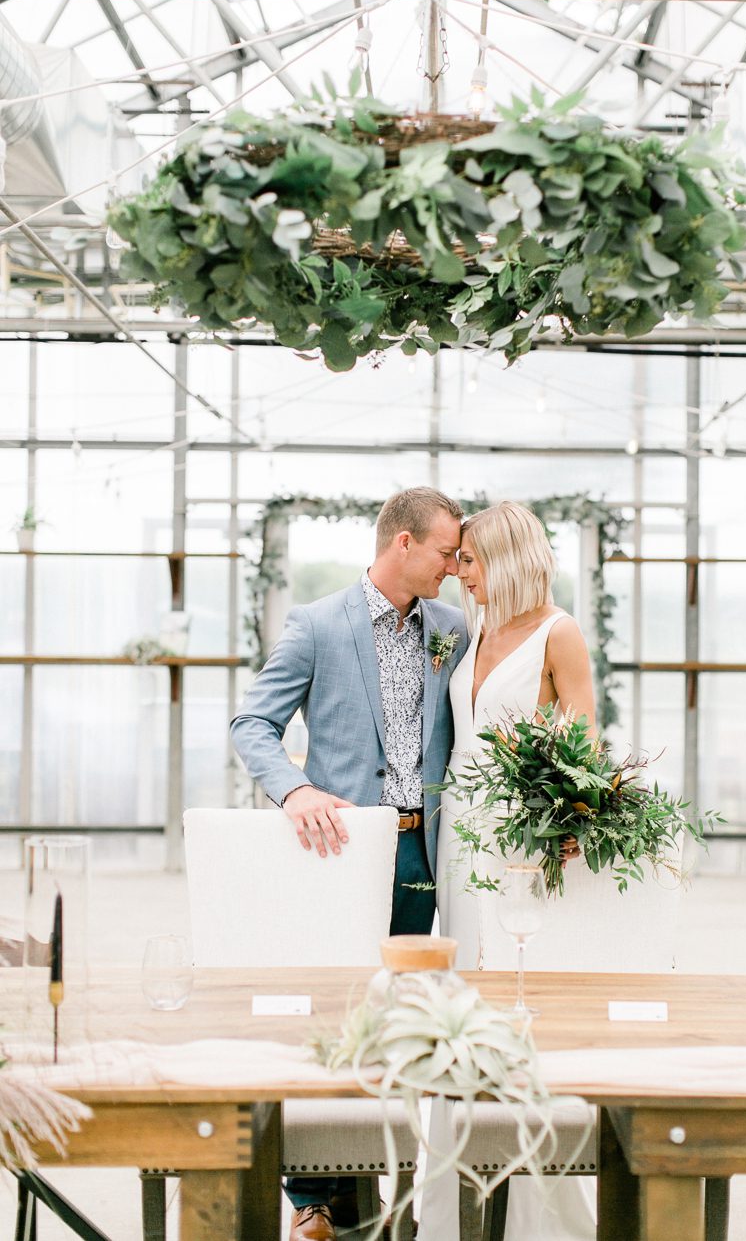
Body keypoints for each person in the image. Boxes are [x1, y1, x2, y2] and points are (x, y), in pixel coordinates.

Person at [230, 486, 467, 1241]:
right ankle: (314, 1201)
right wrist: (295, 788)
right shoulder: (317, 625)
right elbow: (252, 723)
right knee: (333, 1012)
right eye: (446, 551)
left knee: (400, 1021)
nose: (456, 567)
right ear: (403, 544)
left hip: (423, 853)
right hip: (338, 853)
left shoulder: (453, 630)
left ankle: (384, 1181)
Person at [420, 500, 597, 1241]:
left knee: (511, 991)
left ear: (508, 558)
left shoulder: (561, 633)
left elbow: (583, 739)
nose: (458, 571)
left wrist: (567, 819)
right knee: (459, 992)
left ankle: (528, 1199)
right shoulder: (474, 628)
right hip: (457, 825)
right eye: (457, 558)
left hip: (516, 832)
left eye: (469, 560)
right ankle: (454, 1191)